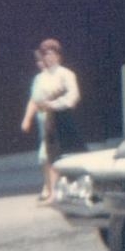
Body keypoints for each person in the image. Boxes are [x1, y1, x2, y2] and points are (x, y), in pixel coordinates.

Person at [28, 39, 84, 200]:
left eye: (52, 54)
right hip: (49, 121)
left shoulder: (66, 74)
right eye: (46, 54)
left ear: (59, 56)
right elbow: (37, 98)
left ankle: (78, 190)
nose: (49, 57)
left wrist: (54, 103)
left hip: (66, 119)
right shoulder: (41, 78)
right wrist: (43, 103)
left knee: (71, 153)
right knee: (50, 156)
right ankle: (53, 192)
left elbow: (73, 97)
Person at [20, 51, 51, 201]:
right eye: (38, 61)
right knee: (44, 157)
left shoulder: (58, 76)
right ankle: (48, 185)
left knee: (51, 156)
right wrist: (27, 118)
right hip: (43, 123)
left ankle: (52, 187)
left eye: (42, 59)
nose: (40, 63)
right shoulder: (38, 79)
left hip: (57, 122)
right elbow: (33, 100)